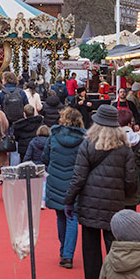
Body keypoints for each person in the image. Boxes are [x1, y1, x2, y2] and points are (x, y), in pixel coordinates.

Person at [64, 104, 140, 279]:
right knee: (114, 244)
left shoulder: (88, 144)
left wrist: (69, 199)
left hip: (90, 201)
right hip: (115, 201)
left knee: (90, 244)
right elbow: (131, 179)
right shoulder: (124, 149)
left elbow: (79, 176)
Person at [44, 106, 86, 268]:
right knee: (72, 216)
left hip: (55, 178)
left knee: (60, 215)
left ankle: (64, 250)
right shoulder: (83, 139)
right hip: (74, 180)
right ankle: (67, 254)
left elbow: (45, 157)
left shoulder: (54, 135)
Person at [0, 70, 28, 165]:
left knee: (4, 146)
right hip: (19, 122)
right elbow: (27, 106)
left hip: (5, 122)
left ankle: (5, 169)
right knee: (15, 148)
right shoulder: (21, 92)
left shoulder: (1, 93)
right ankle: (14, 168)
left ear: (5, 80)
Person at [123, 122, 140, 208]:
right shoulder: (138, 141)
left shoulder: (113, 140)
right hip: (134, 179)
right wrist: (137, 170)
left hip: (117, 183)